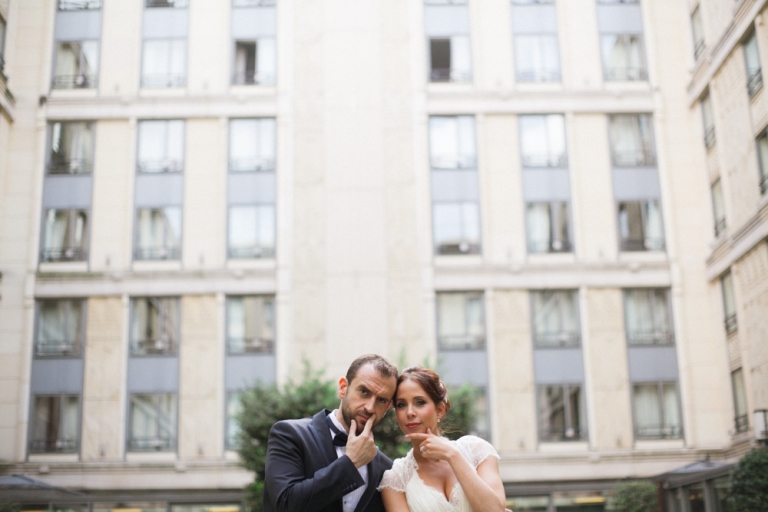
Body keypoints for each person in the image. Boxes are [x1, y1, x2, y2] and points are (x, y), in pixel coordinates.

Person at [263, 354, 399, 512]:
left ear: (387, 407)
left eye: (381, 400)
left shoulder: (387, 468)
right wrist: (351, 462)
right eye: (364, 392)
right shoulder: (289, 434)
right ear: (343, 388)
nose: (370, 407)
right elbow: (285, 505)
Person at [378, 366, 507, 512]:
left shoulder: (477, 451)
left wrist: (453, 456)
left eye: (419, 402)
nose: (410, 412)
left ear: (440, 410)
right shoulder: (395, 479)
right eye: (401, 405)